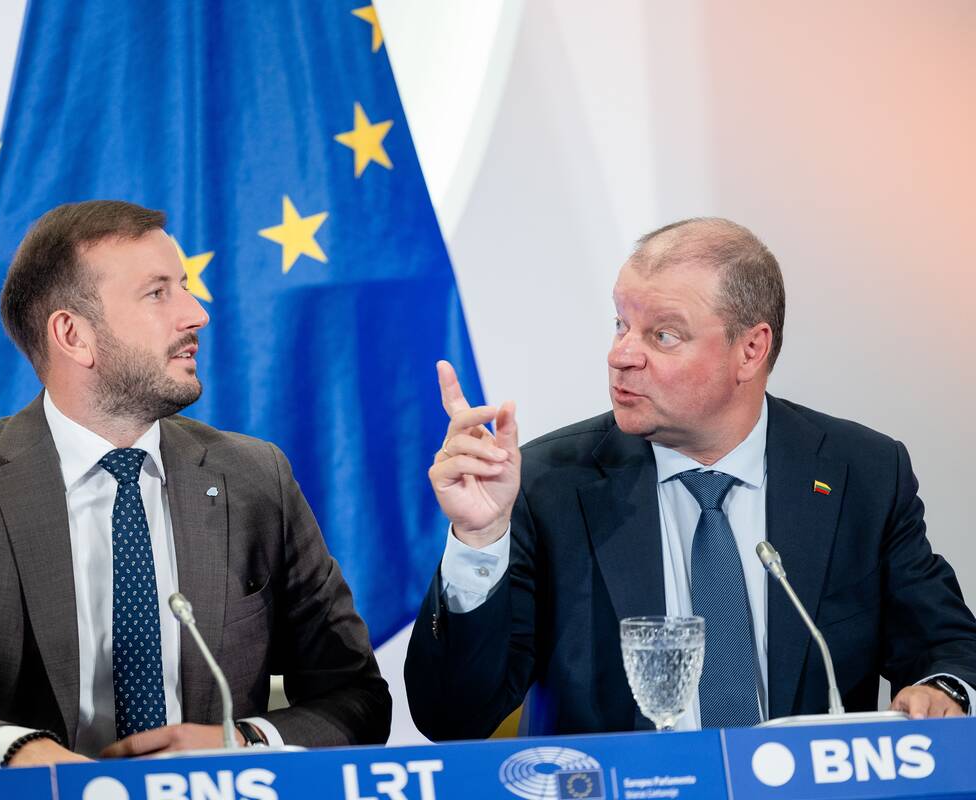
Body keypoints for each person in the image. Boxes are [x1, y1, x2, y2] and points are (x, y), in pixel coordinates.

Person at [0, 200, 391, 772]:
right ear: (73, 335)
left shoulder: (255, 478)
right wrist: (21, 754)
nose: (197, 314)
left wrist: (242, 741)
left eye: (184, 288)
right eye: (158, 293)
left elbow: (357, 698)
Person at [405, 217, 976, 739]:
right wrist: (478, 540)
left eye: (664, 335)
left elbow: (948, 645)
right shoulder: (548, 486)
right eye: (621, 325)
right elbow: (452, 716)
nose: (622, 355)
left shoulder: (860, 474)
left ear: (750, 350)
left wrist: (943, 690)